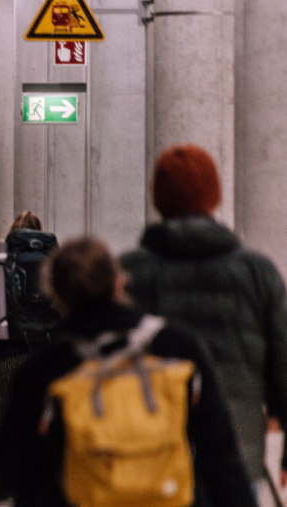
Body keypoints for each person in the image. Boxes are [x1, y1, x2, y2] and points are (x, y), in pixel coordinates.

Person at [0, 237, 255, 507]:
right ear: (119, 282)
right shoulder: (176, 346)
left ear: (57, 293)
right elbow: (221, 454)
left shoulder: (45, 369)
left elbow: (3, 464)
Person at [121, 144, 287, 501]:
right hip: (237, 455)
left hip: (150, 455)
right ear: (214, 197)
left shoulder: (131, 273)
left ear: (158, 199)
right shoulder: (257, 273)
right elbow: (283, 367)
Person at [0, 211, 53, 422]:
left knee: (2, 418)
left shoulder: (1, 263)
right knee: (41, 420)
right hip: (46, 355)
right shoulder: (55, 263)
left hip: (5, 353)